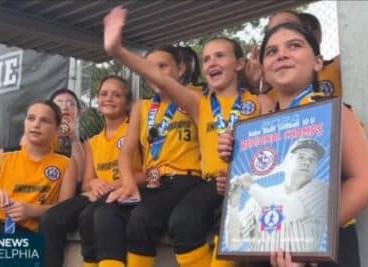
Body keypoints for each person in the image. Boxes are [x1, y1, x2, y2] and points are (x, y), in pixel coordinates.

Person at [103, 6, 274, 267]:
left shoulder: (261, 101)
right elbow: (158, 76)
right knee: (182, 222)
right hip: (211, 184)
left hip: (249, 181)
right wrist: (118, 50)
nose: (212, 63)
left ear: (239, 64)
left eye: (220, 56)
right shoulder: (198, 103)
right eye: (206, 59)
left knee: (232, 224)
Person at [219, 22, 368, 267]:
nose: (282, 54)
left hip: (323, 249)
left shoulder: (336, 112)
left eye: (294, 46)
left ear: (318, 61)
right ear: (263, 68)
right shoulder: (258, 128)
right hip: (266, 248)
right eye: (271, 52)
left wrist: (306, 242)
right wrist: (231, 178)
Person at [39, 76, 142, 267]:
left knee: (93, 215)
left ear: (128, 104)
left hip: (123, 193)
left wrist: (113, 185)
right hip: (95, 195)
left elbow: (146, 173)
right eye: (104, 94)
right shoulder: (92, 142)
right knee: (51, 218)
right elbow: (87, 182)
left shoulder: (137, 131)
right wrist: (94, 183)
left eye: (116, 95)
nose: (109, 98)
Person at [0, 100, 78, 233]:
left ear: (57, 128)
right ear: (25, 123)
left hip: (30, 233)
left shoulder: (66, 162)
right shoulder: (3, 155)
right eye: (31, 118)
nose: (36, 124)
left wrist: (31, 210)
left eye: (45, 120)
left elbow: (64, 209)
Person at [226, 139, 328, 253]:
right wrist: (233, 206)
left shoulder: (321, 190)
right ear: (287, 161)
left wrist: (251, 186)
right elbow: (234, 243)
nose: (307, 162)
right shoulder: (258, 197)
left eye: (312, 159)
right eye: (301, 157)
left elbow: (291, 210)